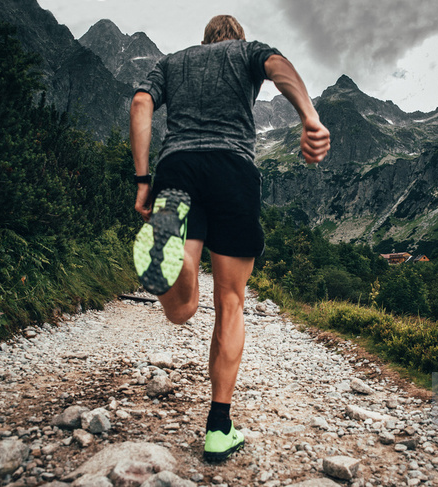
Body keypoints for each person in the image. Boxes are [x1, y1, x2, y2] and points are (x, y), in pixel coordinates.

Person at [130, 14, 330, 462]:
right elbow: (279, 66)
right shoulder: (247, 52)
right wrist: (310, 118)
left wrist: (144, 178)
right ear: (236, 39)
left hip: (176, 169)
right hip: (233, 170)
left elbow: (141, 105)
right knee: (231, 303)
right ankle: (219, 428)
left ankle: (178, 255)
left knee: (181, 311)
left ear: (204, 40)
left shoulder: (172, 63)